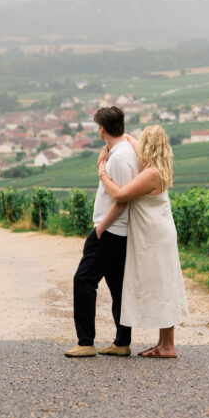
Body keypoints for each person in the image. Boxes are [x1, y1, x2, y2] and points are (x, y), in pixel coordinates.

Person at [97, 125, 188, 358]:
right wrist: (115, 142)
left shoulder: (150, 174)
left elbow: (119, 195)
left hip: (155, 236)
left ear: (149, 146)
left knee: (162, 286)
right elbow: (128, 138)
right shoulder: (158, 168)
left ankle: (168, 346)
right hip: (159, 233)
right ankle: (162, 343)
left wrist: (102, 172)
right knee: (162, 283)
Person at [64, 106, 139, 358]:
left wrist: (99, 230)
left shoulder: (118, 158)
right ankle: (121, 342)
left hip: (109, 232)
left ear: (102, 129)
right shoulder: (125, 148)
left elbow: (121, 200)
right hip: (121, 233)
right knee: (118, 288)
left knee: (83, 281)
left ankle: (85, 343)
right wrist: (105, 150)